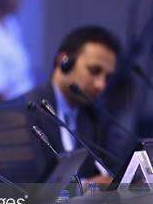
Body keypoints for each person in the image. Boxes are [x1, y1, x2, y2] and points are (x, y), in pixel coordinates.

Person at [22, 25, 122, 182]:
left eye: (107, 77)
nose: (100, 85)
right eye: (94, 71)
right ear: (64, 61)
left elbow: (115, 170)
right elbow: (28, 185)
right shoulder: (27, 111)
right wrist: (83, 188)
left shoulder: (96, 116)